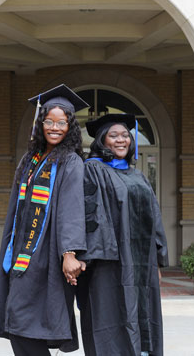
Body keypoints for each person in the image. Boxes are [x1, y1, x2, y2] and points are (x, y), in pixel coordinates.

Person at [0, 84, 89, 355]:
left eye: (61, 122)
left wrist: (69, 253)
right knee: (17, 324)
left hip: (48, 255)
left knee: (28, 325)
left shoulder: (71, 162)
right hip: (21, 253)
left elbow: (71, 208)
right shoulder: (30, 159)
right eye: (49, 121)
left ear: (70, 126)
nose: (54, 127)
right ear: (40, 123)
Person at [77, 113, 168, 356]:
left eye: (125, 135)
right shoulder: (92, 170)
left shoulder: (137, 175)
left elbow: (154, 216)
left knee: (143, 315)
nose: (121, 140)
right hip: (108, 262)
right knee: (110, 315)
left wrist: (157, 261)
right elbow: (88, 215)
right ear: (102, 140)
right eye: (113, 135)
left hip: (141, 262)